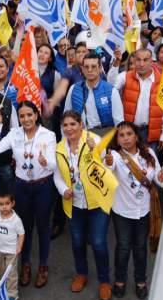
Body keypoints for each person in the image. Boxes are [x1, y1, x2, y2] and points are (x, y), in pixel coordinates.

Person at [0, 101, 57, 288]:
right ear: (18, 118)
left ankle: (43, 266)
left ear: (36, 115)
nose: (26, 119)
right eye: (22, 116)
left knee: (43, 227)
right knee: (24, 229)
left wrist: (46, 163)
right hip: (21, 187)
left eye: (30, 115)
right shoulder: (14, 134)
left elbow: (54, 165)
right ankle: (25, 265)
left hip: (43, 186)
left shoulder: (49, 135)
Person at [53, 112, 114, 299]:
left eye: (73, 124)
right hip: (73, 203)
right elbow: (57, 175)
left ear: (81, 125)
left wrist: (104, 159)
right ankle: (81, 274)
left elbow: (109, 169)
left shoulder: (94, 140)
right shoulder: (59, 148)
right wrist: (63, 190)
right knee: (77, 241)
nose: (69, 128)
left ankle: (104, 281)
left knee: (98, 242)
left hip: (97, 203)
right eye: (65, 125)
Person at [104, 122, 163, 300]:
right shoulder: (115, 156)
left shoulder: (148, 153)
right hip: (122, 211)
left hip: (144, 211)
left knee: (140, 248)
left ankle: (140, 281)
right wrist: (107, 161)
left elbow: (157, 178)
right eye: (121, 135)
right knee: (123, 248)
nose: (125, 138)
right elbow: (109, 166)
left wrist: (162, 177)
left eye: (129, 134)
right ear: (117, 139)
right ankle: (120, 281)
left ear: (136, 136)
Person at [108, 48, 163, 158]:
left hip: (151, 133)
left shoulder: (162, 81)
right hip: (129, 131)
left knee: (151, 166)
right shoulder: (125, 76)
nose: (141, 64)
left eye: (145, 60)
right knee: (129, 167)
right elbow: (111, 87)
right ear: (134, 60)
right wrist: (116, 64)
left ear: (152, 61)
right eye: (138, 60)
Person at [64, 52, 124, 136]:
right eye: (86, 67)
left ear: (100, 69)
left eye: (93, 66)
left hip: (105, 137)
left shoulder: (111, 90)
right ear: (82, 69)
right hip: (81, 136)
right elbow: (66, 117)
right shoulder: (74, 89)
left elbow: (119, 121)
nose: (89, 70)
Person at [0, 191, 25, 300]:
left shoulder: (16, 220)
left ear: (12, 203)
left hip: (11, 251)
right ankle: (5, 287)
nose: (4, 207)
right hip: (0, 249)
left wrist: (19, 246)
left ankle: (12, 294)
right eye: (1, 204)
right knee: (3, 270)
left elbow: (21, 233)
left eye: (7, 203)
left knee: (11, 273)